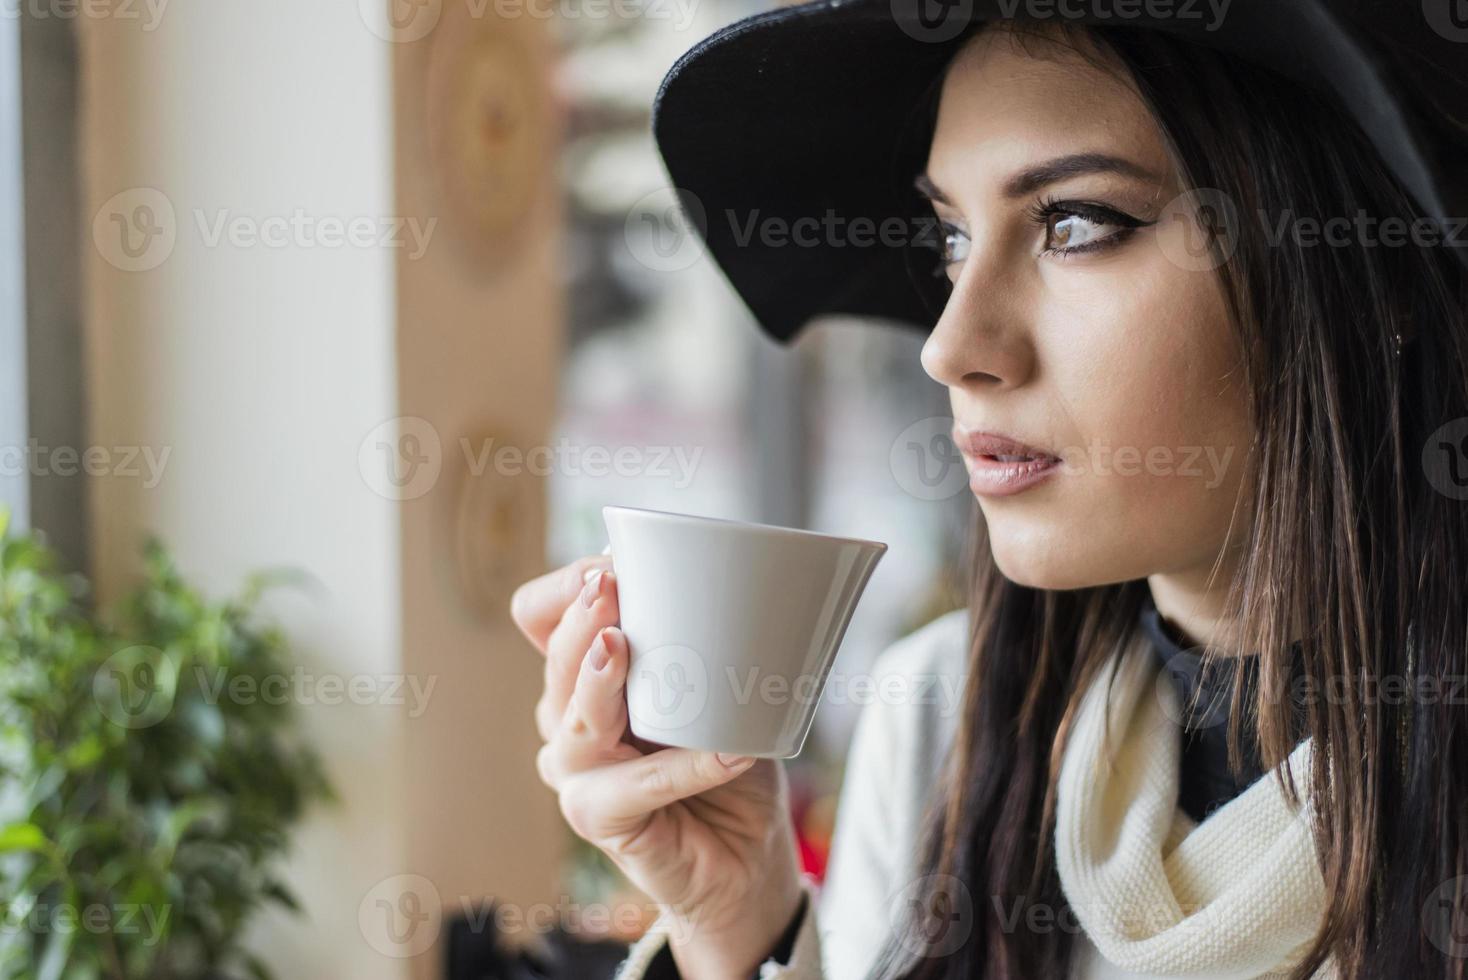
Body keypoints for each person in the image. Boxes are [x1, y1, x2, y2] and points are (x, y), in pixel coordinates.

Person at [510, 3, 1468, 977]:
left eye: (1076, 222)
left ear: (1369, 262)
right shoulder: (937, 717)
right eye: (951, 238)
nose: (949, 346)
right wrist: (734, 916)